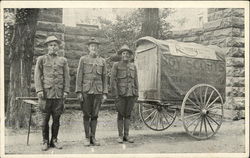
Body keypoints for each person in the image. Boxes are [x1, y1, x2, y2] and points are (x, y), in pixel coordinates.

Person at [34, 35, 70, 151]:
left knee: (56, 119)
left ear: (58, 47)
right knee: (44, 119)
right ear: (47, 47)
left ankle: (54, 140)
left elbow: (67, 77)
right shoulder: (41, 59)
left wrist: (65, 91)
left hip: (58, 95)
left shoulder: (63, 60)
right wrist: (39, 90)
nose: (53, 47)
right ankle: (45, 141)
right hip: (45, 94)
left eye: (55, 45)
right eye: (51, 45)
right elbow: (37, 76)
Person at [75, 38, 108, 146]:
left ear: (98, 48)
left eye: (95, 46)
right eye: (92, 46)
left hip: (98, 92)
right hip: (86, 91)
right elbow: (79, 76)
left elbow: (104, 78)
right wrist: (79, 92)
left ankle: (93, 137)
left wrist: (104, 93)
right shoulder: (83, 59)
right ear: (88, 48)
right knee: (86, 115)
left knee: (95, 115)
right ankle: (86, 137)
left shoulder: (102, 61)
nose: (93, 48)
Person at [110, 44, 139, 143]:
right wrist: (116, 94)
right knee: (120, 114)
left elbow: (136, 81)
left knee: (128, 115)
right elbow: (113, 80)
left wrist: (136, 93)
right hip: (120, 95)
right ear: (121, 55)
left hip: (131, 94)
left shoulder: (133, 66)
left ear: (130, 55)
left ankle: (127, 135)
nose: (125, 55)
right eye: (123, 53)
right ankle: (120, 136)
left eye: (127, 53)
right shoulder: (116, 65)